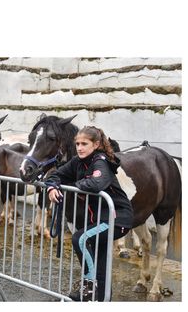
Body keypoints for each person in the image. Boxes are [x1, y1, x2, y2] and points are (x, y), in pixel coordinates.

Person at [44, 126, 134, 302]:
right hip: (99, 219)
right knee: (100, 259)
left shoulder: (100, 161)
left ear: (96, 144)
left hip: (117, 218)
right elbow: (56, 174)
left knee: (81, 238)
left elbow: (95, 184)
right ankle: (101, 297)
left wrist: (72, 183)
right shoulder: (78, 161)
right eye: (77, 143)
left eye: (84, 143)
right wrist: (53, 187)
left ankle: (89, 286)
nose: (79, 147)